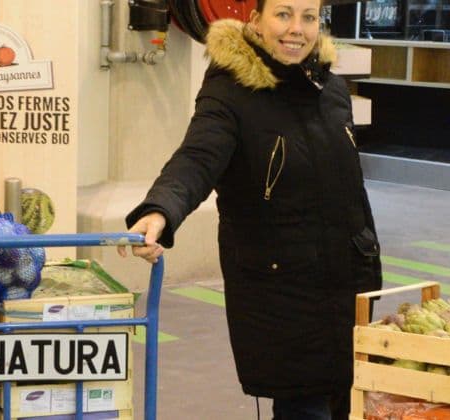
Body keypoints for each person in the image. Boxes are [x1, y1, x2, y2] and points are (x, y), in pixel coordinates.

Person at [117, 0, 383, 418]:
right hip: (284, 293)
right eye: (284, 14)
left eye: (308, 17)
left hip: (349, 285)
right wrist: (161, 209)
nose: (297, 28)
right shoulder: (232, 91)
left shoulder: (331, 89)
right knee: (304, 406)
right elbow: (198, 157)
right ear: (256, 21)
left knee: (347, 403)